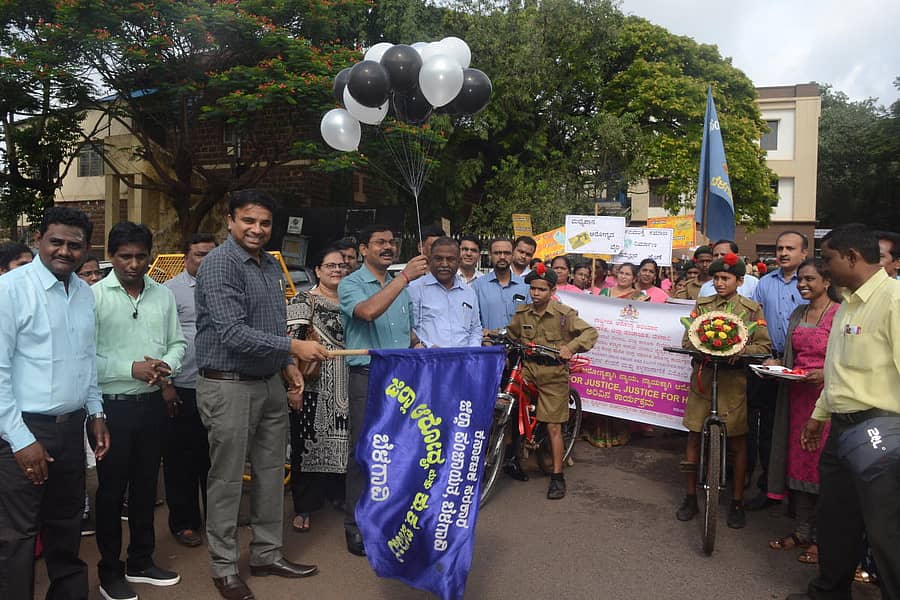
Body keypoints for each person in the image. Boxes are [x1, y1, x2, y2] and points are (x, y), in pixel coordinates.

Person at [194, 190, 327, 600]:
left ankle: (267, 553)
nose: (257, 229)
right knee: (228, 480)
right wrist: (294, 350)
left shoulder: (270, 266)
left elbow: (271, 327)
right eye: (248, 221)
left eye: (265, 223)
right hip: (227, 385)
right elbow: (232, 333)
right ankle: (224, 567)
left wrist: (288, 369)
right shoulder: (219, 264)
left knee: (271, 476)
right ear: (230, 220)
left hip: (269, 382)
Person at [785, 224, 900, 600]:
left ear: (852, 257)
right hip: (841, 429)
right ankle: (829, 592)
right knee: (836, 521)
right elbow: (837, 368)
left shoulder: (894, 301)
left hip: (881, 432)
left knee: (886, 531)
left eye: (830, 259)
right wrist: (819, 415)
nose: (826, 267)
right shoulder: (847, 302)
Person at [0, 207, 110, 600]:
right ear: (39, 241)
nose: (65, 251)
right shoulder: (10, 290)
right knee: (17, 536)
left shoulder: (83, 292)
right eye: (56, 242)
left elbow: (87, 359)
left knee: (67, 526)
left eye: (74, 245)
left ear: (86, 249)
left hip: (73, 426)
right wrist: (21, 439)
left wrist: (96, 412)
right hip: (24, 430)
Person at [92, 221, 186, 600]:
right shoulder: (94, 297)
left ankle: (141, 561)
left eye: (140, 256)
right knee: (111, 492)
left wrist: (167, 365)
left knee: (147, 487)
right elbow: (83, 360)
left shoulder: (162, 296)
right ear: (111, 257)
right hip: (112, 408)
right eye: (124, 256)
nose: (133, 263)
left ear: (149, 256)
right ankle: (109, 571)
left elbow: (178, 343)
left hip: (151, 406)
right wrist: (129, 368)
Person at [339, 224, 428, 557]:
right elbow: (367, 312)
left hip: (402, 378)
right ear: (364, 249)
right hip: (368, 376)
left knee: (398, 451)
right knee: (364, 452)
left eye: (392, 242)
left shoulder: (398, 286)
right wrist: (404, 277)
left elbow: (406, 334)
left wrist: (425, 348)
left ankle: (388, 519)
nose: (388, 247)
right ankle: (355, 525)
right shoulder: (351, 283)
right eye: (380, 242)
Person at [676, 254, 771, 530]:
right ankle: (691, 496)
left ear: (740, 281)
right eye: (716, 278)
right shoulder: (702, 305)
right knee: (693, 436)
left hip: (733, 383)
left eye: (725, 278)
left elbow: (764, 346)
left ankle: (737, 500)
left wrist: (741, 350)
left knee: (738, 441)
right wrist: (704, 348)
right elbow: (687, 338)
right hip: (703, 379)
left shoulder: (752, 309)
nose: (719, 283)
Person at [765, 259, 841, 566]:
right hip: (796, 398)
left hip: (826, 400)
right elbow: (790, 354)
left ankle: (822, 540)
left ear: (826, 281)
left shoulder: (840, 314)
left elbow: (845, 358)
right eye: (799, 279)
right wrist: (777, 366)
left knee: (821, 468)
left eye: (809, 278)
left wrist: (824, 373)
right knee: (797, 462)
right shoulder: (798, 313)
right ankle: (801, 531)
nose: (802, 284)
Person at [505, 264, 598, 499]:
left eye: (542, 290)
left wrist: (570, 347)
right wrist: (492, 335)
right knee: (510, 408)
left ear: (552, 290)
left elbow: (590, 333)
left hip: (553, 376)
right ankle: (511, 458)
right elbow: (511, 334)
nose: (536, 294)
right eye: (533, 289)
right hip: (528, 370)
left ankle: (557, 476)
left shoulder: (564, 315)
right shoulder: (523, 313)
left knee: (553, 426)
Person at [285, 246, 350, 534]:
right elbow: (290, 342)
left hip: (347, 383)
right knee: (307, 444)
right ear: (318, 270)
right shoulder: (305, 299)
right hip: (313, 385)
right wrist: (293, 385)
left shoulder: (351, 302)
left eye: (341, 266)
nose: (337, 270)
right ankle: (305, 506)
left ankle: (336, 494)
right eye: (331, 265)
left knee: (343, 441)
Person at [745, 231, 809, 511]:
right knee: (768, 427)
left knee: (799, 427)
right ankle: (768, 488)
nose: (783, 253)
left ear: (804, 253)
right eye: (780, 248)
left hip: (804, 364)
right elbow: (756, 319)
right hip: (768, 363)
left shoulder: (811, 282)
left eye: (790, 248)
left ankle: (801, 492)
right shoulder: (764, 283)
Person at [161, 234, 217, 548]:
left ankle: (218, 519)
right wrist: (166, 385)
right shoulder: (170, 292)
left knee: (217, 459)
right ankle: (184, 522)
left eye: (211, 255)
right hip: (182, 388)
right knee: (181, 461)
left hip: (220, 387)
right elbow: (160, 341)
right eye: (199, 255)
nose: (205, 261)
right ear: (186, 258)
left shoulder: (227, 287)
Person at [409, 237, 482, 348]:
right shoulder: (415, 289)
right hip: (429, 359)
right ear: (430, 260)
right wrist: (427, 346)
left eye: (450, 259)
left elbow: (475, 328)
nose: (444, 264)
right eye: (438, 259)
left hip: (464, 360)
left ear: (458, 261)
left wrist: (472, 351)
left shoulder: (468, 292)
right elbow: (409, 328)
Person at [472, 238, 531, 331]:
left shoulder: (525, 286)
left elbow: (530, 319)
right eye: (497, 253)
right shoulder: (478, 286)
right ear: (490, 256)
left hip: (518, 343)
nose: (502, 257)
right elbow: (473, 321)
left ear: (512, 255)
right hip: (488, 343)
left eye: (507, 253)